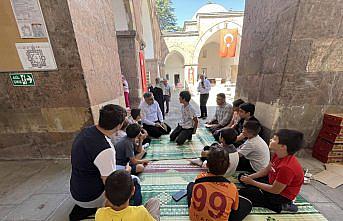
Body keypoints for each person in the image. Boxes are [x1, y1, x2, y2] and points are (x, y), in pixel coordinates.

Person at [69, 104, 142, 221]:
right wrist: (126, 172)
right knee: (134, 181)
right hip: (89, 197)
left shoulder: (86, 131)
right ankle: (132, 214)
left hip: (76, 190)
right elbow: (110, 185)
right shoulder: (105, 149)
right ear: (119, 126)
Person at [239, 129, 304, 213]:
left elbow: (275, 190)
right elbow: (266, 170)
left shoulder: (286, 167)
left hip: (281, 195)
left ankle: (282, 206)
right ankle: (259, 191)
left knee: (245, 194)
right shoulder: (277, 154)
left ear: (283, 146)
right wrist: (250, 177)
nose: (270, 140)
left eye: (274, 139)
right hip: (272, 182)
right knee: (241, 177)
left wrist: (252, 182)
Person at [187, 147, 252, 221]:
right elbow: (235, 208)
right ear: (228, 166)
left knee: (191, 185)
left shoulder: (199, 177)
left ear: (207, 165)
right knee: (246, 205)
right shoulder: (232, 188)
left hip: (194, 218)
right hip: (227, 196)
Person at [95, 170, 160, 221]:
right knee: (154, 201)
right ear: (133, 191)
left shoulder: (99, 214)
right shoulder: (141, 211)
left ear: (105, 195)